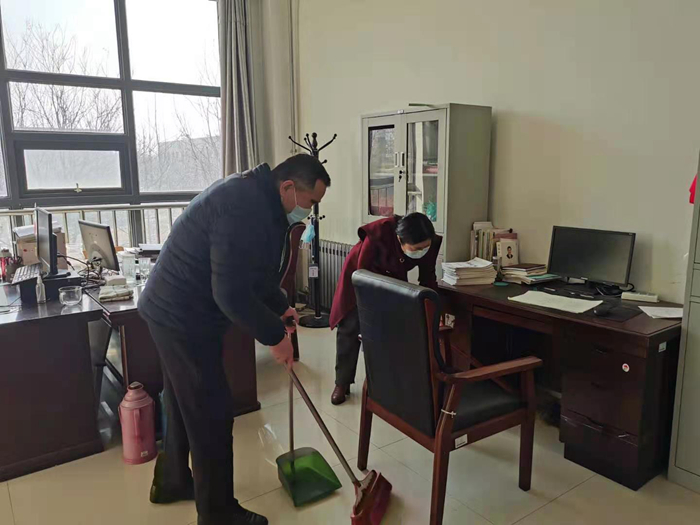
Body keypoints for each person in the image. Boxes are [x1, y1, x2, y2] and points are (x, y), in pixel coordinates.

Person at [138, 155, 330, 525]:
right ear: (289, 188)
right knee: (211, 413)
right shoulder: (243, 206)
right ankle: (218, 514)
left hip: (171, 310)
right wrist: (275, 337)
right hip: (182, 317)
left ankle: (172, 481)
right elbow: (229, 293)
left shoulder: (260, 200)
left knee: (181, 399)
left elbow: (253, 274)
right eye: (310, 202)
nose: (309, 211)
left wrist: (281, 307)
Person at [328, 213, 442, 405]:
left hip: (393, 279)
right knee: (350, 326)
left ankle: (387, 385)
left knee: (390, 331)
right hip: (359, 277)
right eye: (416, 249)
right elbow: (363, 275)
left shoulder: (429, 243)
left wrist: (434, 308)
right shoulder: (378, 234)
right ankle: (342, 383)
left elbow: (428, 277)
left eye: (425, 247)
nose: (422, 251)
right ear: (399, 239)